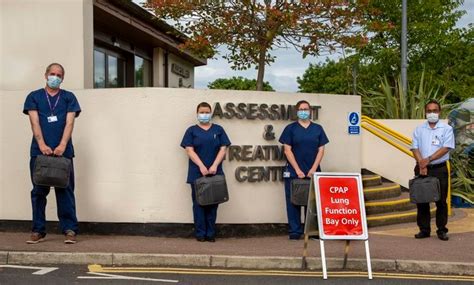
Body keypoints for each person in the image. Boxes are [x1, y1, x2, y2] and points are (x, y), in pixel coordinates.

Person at [23, 63, 81, 244]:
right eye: (52, 74)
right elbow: (34, 122)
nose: (55, 77)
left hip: (64, 153)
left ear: (62, 78)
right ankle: (38, 230)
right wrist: (41, 144)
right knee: (39, 191)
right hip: (39, 153)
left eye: (59, 75)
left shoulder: (69, 98)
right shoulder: (34, 97)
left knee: (65, 190)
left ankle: (69, 229)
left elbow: (70, 123)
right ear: (46, 75)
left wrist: (63, 145)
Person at [180, 102, 231, 242]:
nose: (204, 114)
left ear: (211, 113)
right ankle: (200, 233)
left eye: (207, 112)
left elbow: (223, 148)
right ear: (197, 114)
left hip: (215, 173)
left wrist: (214, 165)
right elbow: (189, 150)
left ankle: (210, 233)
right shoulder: (191, 131)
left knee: (213, 204)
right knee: (199, 204)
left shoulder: (218, 129)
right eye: (202, 112)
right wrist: (201, 166)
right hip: (197, 174)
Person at [279, 100, 329, 240]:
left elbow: (321, 150)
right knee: (293, 201)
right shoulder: (290, 129)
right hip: (294, 171)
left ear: (310, 111)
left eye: (306, 109)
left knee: (312, 202)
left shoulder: (318, 129)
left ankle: (312, 231)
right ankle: (295, 231)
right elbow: (287, 150)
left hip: (313, 171)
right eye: (300, 109)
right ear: (297, 111)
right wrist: (298, 169)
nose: (303, 111)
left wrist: (313, 169)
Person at [411, 99, 454, 241]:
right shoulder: (419, 129)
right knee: (422, 200)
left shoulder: (446, 129)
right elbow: (414, 148)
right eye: (429, 111)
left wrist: (428, 160)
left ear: (439, 112)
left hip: (439, 169)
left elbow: (446, 147)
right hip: (422, 168)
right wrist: (421, 164)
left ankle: (441, 230)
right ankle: (424, 229)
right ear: (425, 112)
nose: (432, 113)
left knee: (441, 201)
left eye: (435, 110)